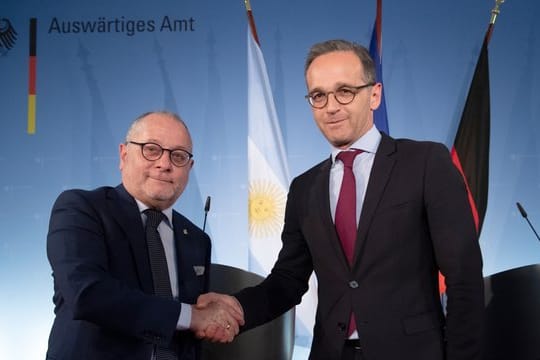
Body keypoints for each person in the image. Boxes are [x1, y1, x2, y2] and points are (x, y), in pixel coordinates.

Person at [198, 39, 485, 359]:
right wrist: (237, 306)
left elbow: (464, 276)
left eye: (344, 91)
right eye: (318, 95)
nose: (331, 106)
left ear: (374, 95)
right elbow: (288, 281)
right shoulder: (304, 188)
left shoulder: (425, 162)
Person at [46, 111, 243, 360]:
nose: (164, 163)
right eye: (151, 150)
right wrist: (192, 316)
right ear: (124, 155)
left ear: (189, 168)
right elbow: (87, 294)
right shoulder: (81, 208)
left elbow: (191, 331)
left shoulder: (197, 239)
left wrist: (213, 315)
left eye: (179, 156)